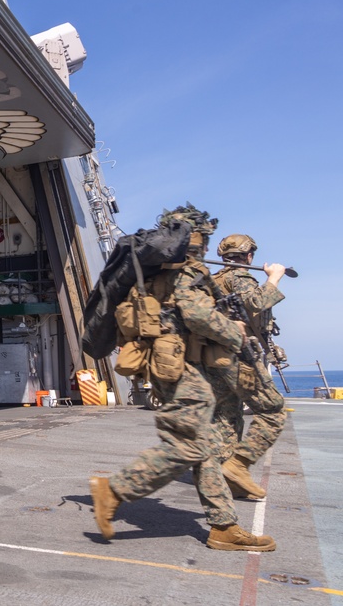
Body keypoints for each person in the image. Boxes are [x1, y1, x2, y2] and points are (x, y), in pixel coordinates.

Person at [89, 205, 275, 552]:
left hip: (170, 363)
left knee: (201, 447)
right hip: (178, 367)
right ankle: (114, 490)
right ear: (195, 237)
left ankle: (223, 526)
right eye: (203, 237)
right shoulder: (185, 270)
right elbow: (195, 312)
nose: (205, 245)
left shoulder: (163, 269)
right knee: (189, 444)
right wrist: (234, 333)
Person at [210, 234, 287, 500]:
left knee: (228, 419)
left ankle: (229, 480)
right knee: (273, 409)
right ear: (249, 256)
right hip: (240, 357)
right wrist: (274, 277)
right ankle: (239, 465)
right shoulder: (239, 277)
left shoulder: (216, 279)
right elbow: (255, 303)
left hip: (218, 358)